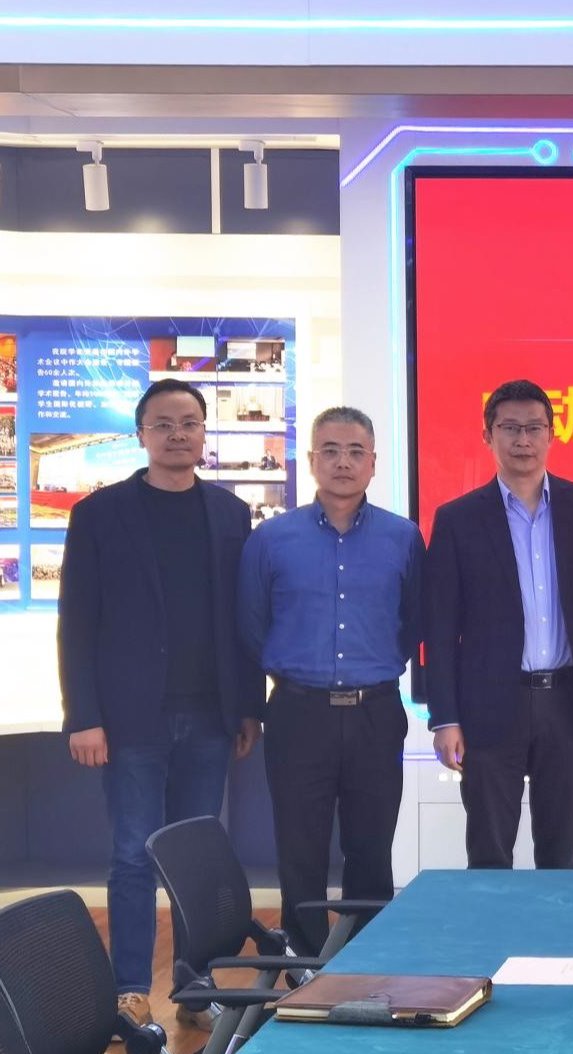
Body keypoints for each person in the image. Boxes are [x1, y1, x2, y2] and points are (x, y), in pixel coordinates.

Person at [58, 379, 263, 1030]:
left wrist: (248, 707)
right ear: (141, 434)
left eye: (190, 422)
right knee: (132, 856)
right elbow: (77, 622)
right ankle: (129, 990)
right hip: (130, 721)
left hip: (210, 717)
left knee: (195, 858)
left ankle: (195, 986)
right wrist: (83, 716)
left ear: (204, 432)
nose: (178, 434)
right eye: (164, 423)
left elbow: (243, 622)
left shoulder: (230, 514)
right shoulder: (99, 514)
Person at [238, 406, 423, 956]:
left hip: (375, 712)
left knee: (371, 849)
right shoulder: (272, 539)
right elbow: (251, 627)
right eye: (331, 451)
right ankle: (305, 968)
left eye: (355, 452)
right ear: (312, 459)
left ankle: (369, 964)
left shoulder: (403, 538)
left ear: (373, 463)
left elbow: (414, 621)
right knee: (301, 851)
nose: (344, 462)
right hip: (298, 713)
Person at [424, 379, 573, 869]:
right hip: (490, 706)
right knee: (489, 854)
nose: (523, 440)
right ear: (488, 436)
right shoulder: (458, 519)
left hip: (569, 705)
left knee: (563, 854)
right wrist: (445, 717)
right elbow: (440, 628)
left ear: (552, 434)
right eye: (510, 428)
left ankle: (557, 923)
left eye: (534, 428)